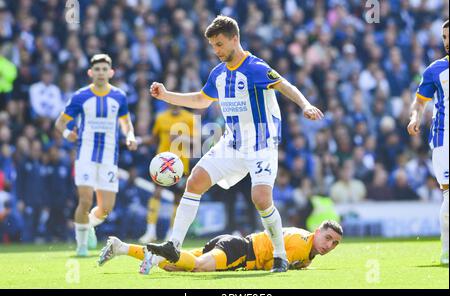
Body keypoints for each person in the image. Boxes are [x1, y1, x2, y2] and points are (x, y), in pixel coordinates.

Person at [146, 15, 323, 272]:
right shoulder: (218, 74)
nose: (216, 51)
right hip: (233, 143)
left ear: (234, 39)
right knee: (195, 180)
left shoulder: (255, 67)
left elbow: (286, 85)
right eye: (213, 46)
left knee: (261, 198)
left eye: (220, 44)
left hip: (261, 143)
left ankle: (280, 255)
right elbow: (201, 99)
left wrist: (305, 105)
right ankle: (174, 244)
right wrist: (166, 96)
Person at [55, 54, 137, 256]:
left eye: (104, 69)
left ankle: (88, 225)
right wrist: (67, 134)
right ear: (90, 73)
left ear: (111, 72)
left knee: (106, 209)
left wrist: (130, 136)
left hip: (109, 157)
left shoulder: (119, 96)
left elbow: (126, 122)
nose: (100, 73)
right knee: (85, 201)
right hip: (85, 156)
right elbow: (60, 123)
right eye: (97, 69)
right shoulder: (81, 96)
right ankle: (81, 246)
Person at [98, 220, 342, 274]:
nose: (329, 245)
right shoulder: (301, 246)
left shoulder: (306, 244)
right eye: (328, 238)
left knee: (174, 267)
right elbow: (272, 266)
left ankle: (121, 248)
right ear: (317, 231)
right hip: (241, 252)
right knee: (199, 267)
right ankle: (154, 257)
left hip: (235, 243)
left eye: (335, 243)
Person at [407, 20, 449, 265]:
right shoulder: (435, 70)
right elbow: (420, 102)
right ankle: (446, 252)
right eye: (444, 36)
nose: (446, 41)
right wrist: (415, 117)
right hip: (445, 140)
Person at [138, 104, 195, 243]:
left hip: (181, 165)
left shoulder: (190, 118)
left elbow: (197, 141)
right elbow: (153, 139)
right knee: (156, 193)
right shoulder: (161, 117)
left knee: (177, 199)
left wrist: (182, 138)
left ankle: (171, 233)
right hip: (161, 164)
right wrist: (139, 141)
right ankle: (150, 231)